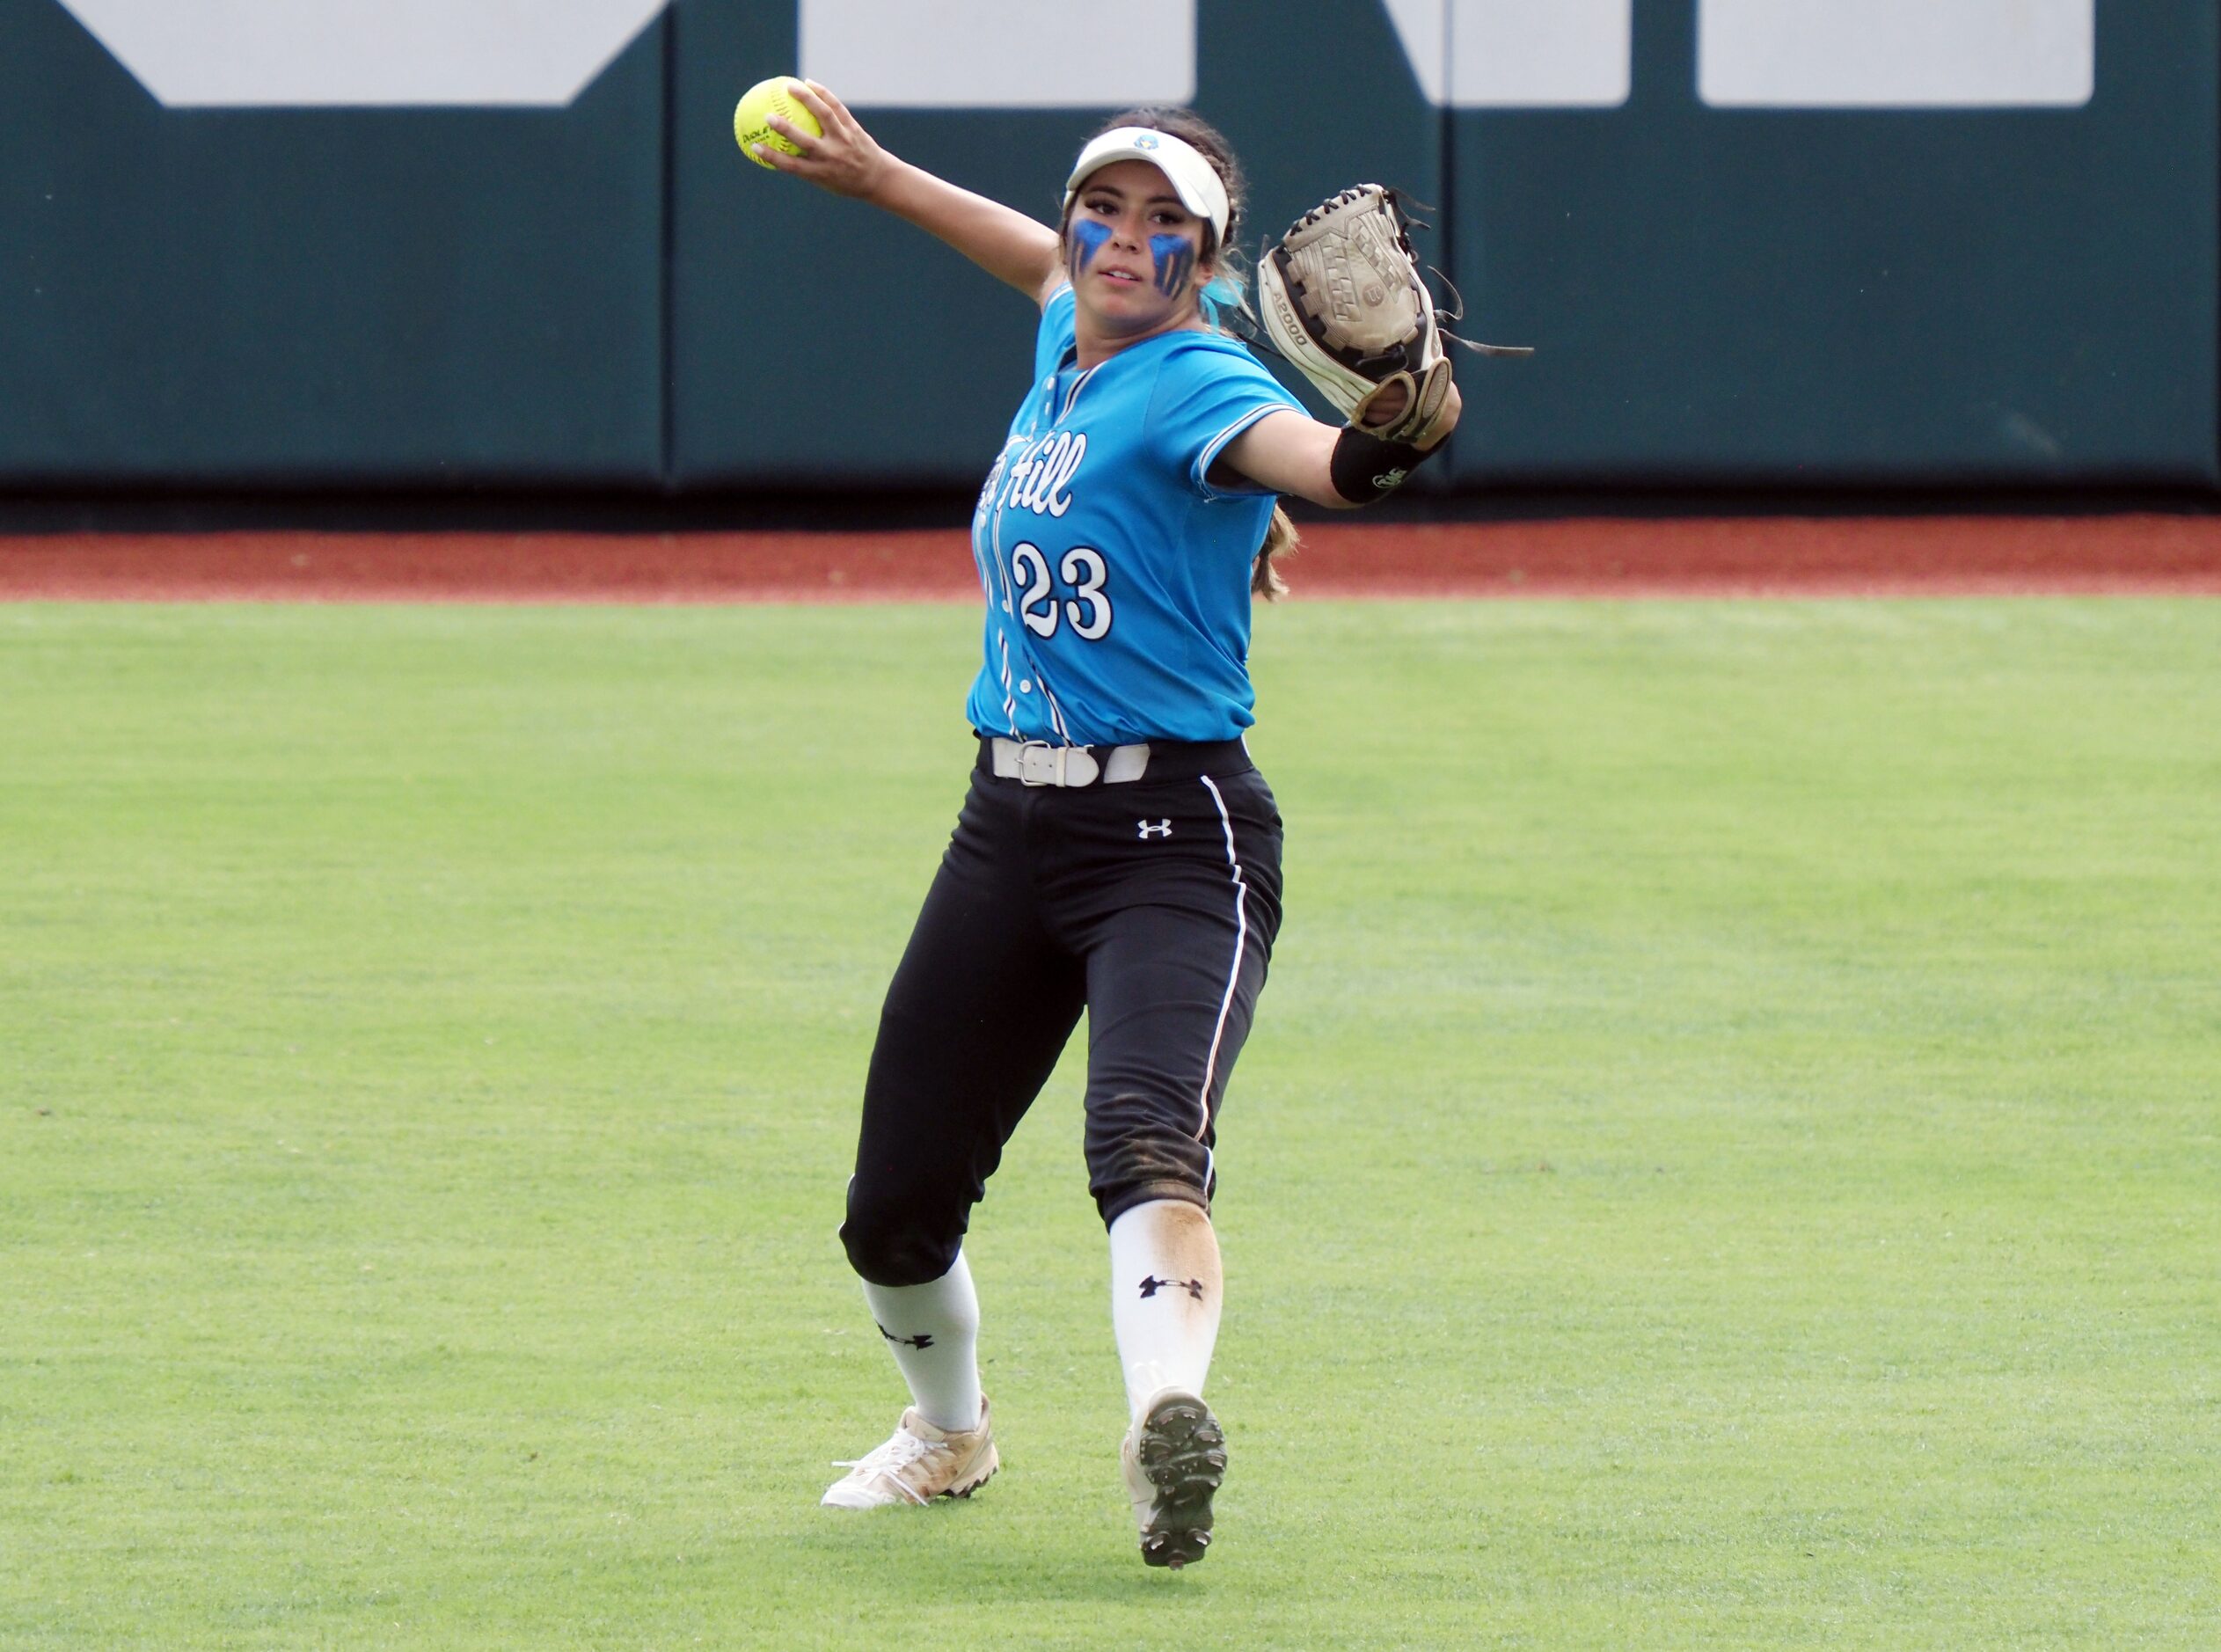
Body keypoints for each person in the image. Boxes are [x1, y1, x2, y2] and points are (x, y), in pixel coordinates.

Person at [750, 80, 1460, 1568]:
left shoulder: (1198, 380)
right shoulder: (1066, 330)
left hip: (1175, 836)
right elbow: (1025, 254)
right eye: (1106, 211)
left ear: (1208, 262)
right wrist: (878, 174)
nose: (1122, 243)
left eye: (1164, 227)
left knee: (1145, 1142)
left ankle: (1165, 1424)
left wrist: (1383, 436)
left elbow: (1313, 460)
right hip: (1003, 828)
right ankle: (948, 1434)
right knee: (891, 1211)